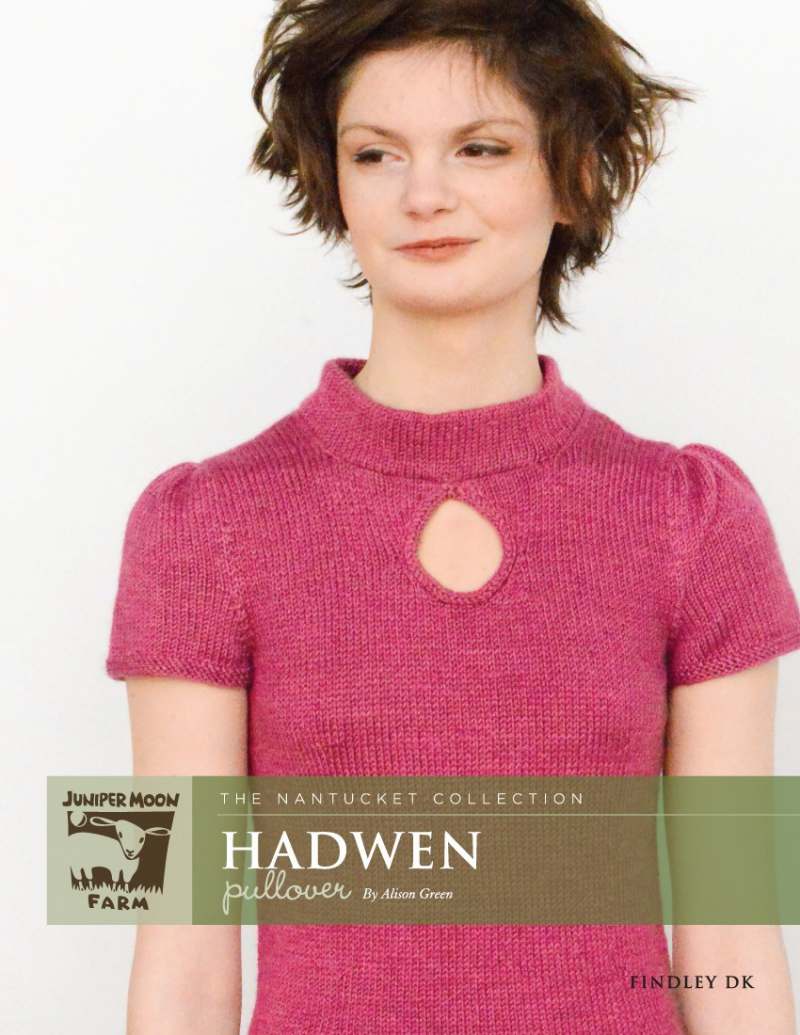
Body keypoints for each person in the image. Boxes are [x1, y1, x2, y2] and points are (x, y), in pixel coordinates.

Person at [105, 2, 800, 1032]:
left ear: (573, 173)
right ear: (335, 184)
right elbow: (176, 943)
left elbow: (732, 935)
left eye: (480, 147)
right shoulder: (199, 525)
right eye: (376, 153)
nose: (423, 193)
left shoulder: (692, 516)